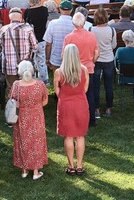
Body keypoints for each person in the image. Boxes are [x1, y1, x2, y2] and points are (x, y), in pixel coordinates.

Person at [55, 44, 90, 175]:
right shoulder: (84, 70)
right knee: (80, 136)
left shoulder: (59, 72)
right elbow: (85, 88)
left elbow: (57, 90)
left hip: (66, 105)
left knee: (69, 136)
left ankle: (71, 166)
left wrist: (64, 96)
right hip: (81, 103)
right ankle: (80, 166)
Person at [9, 61, 48, 179]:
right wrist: (35, 107)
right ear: (32, 70)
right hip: (37, 116)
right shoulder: (40, 84)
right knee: (36, 141)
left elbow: (12, 101)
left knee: (22, 140)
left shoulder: (16, 85)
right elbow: (45, 101)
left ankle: (24, 170)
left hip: (21, 116)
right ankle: (36, 172)